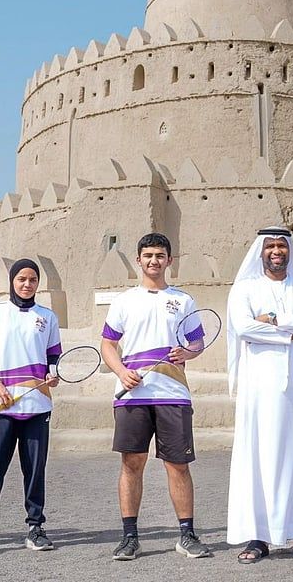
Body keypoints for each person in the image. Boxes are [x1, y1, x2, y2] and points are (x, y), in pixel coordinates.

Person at [100, 233, 212, 561]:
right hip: (132, 395)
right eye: (148, 255)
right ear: (139, 260)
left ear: (169, 261)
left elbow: (197, 342)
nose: (154, 261)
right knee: (131, 463)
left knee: (178, 465)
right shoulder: (124, 301)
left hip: (172, 393)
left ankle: (187, 535)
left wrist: (188, 352)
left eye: (160, 255)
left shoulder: (183, 301)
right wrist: (122, 372)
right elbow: (108, 344)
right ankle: (130, 537)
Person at [226, 226, 293, 563]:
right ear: (261, 251)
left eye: (282, 246)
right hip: (259, 391)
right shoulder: (245, 289)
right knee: (259, 457)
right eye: (270, 246)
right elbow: (243, 327)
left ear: (289, 250)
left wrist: (272, 319)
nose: (276, 251)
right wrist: (292, 329)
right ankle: (258, 537)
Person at [0, 259, 61, 554]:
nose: (27, 284)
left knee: (35, 470)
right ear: (12, 281)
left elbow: (53, 356)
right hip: (2, 404)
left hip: (37, 404)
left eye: (32, 279)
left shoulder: (47, 317)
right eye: (22, 279)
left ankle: (35, 528)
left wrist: (52, 373)